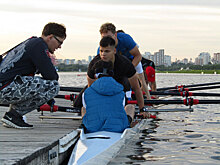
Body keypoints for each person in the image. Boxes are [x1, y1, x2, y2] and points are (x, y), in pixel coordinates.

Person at [0, 22, 66, 129]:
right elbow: (51, 76)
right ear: (50, 37)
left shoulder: (31, 42)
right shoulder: (39, 45)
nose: (60, 47)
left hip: (4, 86)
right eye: (59, 42)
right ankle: (13, 115)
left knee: (29, 82)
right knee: (52, 86)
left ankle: (13, 116)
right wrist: (50, 62)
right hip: (4, 88)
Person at [88, 36, 151, 118]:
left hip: (121, 84)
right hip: (103, 86)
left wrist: (142, 109)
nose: (103, 54)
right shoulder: (94, 64)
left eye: (107, 51)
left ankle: (127, 113)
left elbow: (136, 88)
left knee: (126, 84)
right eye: (101, 51)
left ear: (114, 51)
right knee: (78, 103)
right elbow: (91, 89)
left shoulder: (125, 64)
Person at [98, 23, 151, 100]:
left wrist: (129, 70)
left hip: (132, 59)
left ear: (115, 35)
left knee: (140, 80)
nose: (107, 41)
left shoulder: (125, 39)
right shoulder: (101, 49)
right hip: (118, 62)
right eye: (103, 37)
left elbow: (138, 56)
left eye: (109, 37)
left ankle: (148, 99)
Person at [82, 60, 133, 133]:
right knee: (130, 107)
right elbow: (121, 107)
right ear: (112, 74)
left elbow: (87, 108)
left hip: (92, 128)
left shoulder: (86, 92)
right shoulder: (121, 91)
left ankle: (85, 126)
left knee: (83, 109)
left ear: (95, 75)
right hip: (117, 128)